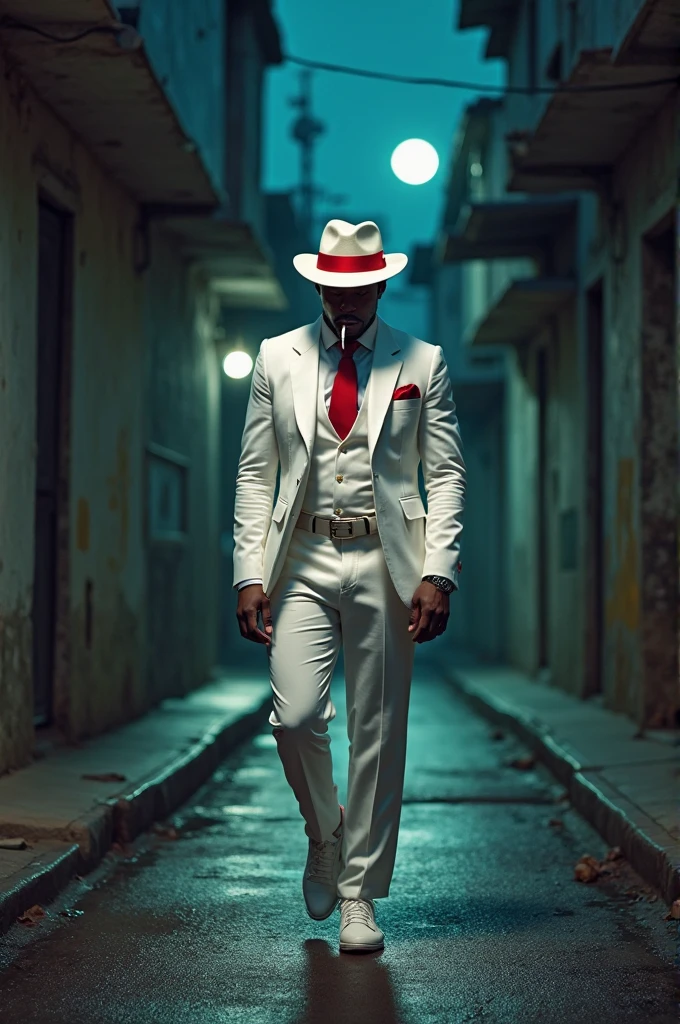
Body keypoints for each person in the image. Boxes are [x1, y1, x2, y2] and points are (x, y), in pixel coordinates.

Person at [233, 219, 465, 953]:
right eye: (334, 286)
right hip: (300, 556)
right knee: (296, 715)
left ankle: (360, 896)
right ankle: (325, 834)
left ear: (380, 283)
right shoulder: (279, 357)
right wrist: (248, 571)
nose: (347, 299)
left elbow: (447, 473)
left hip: (386, 560)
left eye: (359, 285)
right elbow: (253, 472)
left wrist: (439, 570)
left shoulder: (420, 360)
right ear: (319, 285)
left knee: (377, 729)